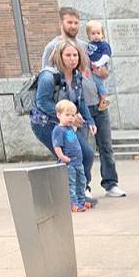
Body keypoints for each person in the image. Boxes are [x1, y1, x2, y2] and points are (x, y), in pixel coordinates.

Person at [42, 7, 124, 199]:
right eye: (69, 22)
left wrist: (101, 72)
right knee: (80, 150)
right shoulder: (52, 48)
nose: (73, 26)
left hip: (96, 103)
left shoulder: (87, 46)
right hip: (74, 110)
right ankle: (83, 185)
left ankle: (110, 183)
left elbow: (102, 72)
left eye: (76, 22)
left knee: (106, 146)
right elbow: (47, 78)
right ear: (61, 23)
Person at [30, 39, 96, 208]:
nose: (72, 58)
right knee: (67, 157)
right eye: (68, 55)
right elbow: (42, 102)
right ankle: (67, 196)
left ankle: (79, 192)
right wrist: (66, 116)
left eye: (75, 55)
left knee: (85, 154)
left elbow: (80, 101)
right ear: (59, 56)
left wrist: (89, 121)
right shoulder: (48, 76)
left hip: (65, 123)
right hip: (45, 124)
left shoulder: (77, 76)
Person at [51, 99, 90, 212]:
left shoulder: (70, 128)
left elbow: (78, 124)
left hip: (78, 162)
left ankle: (81, 200)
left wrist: (79, 120)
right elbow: (57, 146)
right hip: (69, 162)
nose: (70, 118)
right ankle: (73, 203)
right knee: (71, 183)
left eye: (72, 115)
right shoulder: (58, 130)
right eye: (67, 115)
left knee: (81, 181)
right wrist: (62, 157)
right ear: (58, 115)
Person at [85, 20, 112, 111]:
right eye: (93, 33)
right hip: (92, 68)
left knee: (98, 82)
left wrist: (98, 64)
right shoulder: (89, 45)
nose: (96, 35)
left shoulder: (103, 45)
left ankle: (104, 98)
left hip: (100, 67)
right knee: (94, 83)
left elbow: (106, 56)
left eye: (98, 33)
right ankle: (100, 98)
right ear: (88, 35)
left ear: (102, 34)